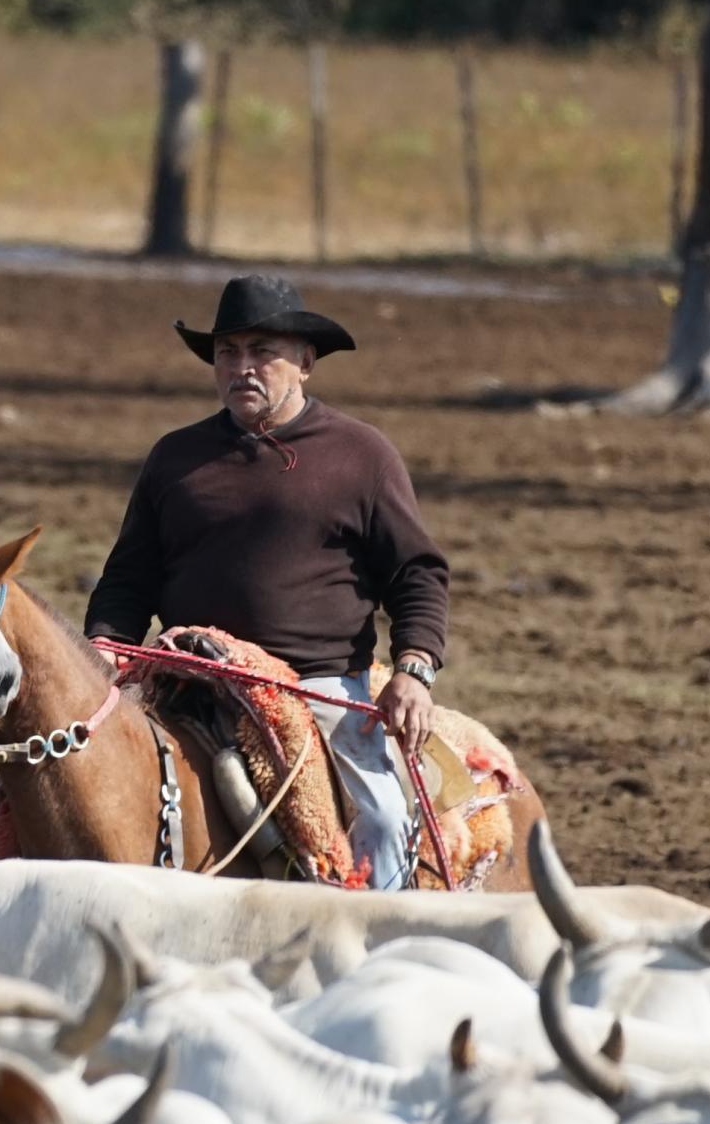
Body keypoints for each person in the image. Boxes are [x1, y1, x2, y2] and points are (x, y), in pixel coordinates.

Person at [83, 272, 450, 887]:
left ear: (305, 362)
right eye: (228, 353)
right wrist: (103, 652)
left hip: (318, 685)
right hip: (187, 681)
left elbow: (416, 572)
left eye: (261, 352)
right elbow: (127, 581)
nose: (241, 367)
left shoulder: (362, 455)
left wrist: (414, 669)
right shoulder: (175, 458)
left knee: (382, 821)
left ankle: (379, 950)